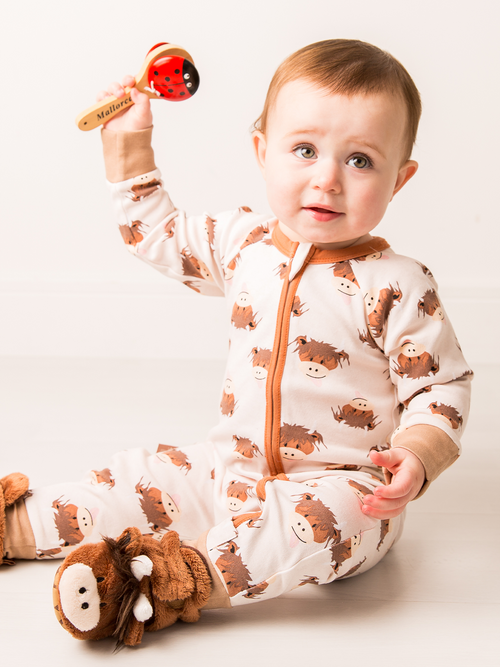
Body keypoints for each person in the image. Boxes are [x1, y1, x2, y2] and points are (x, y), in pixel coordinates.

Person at [1, 39, 472, 641]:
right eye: (305, 150)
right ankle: (15, 525)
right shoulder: (243, 243)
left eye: (360, 160)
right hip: (229, 470)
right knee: (140, 478)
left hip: (345, 487)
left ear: (399, 180)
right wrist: (129, 141)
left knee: (334, 520)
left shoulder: (399, 283)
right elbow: (157, 234)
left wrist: (418, 454)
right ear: (262, 152)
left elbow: (440, 385)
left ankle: (163, 583)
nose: (326, 179)